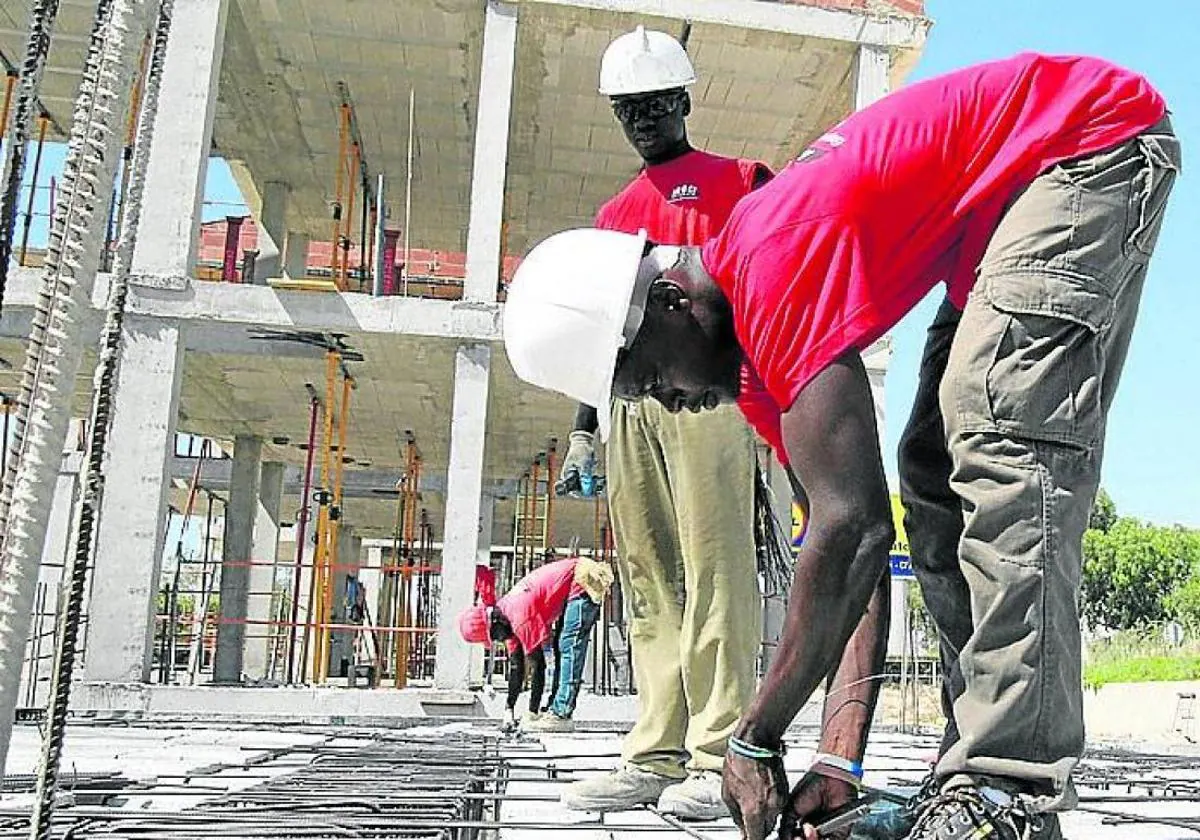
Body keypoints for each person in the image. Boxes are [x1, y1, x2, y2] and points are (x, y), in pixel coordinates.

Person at [502, 52, 1179, 840]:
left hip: (1085, 143)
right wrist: (836, 761)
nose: (672, 405)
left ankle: (1005, 786)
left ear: (669, 302)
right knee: (930, 471)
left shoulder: (770, 262)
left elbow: (852, 529)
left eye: (651, 378)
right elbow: (845, 545)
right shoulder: (754, 373)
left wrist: (754, 736)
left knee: (995, 431)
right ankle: (976, 769)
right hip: (1005, 206)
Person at [548, 26, 774, 821]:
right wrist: (585, 427)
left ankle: (718, 754)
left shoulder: (738, 180)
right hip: (631, 403)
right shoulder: (615, 212)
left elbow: (762, 288)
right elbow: (597, 331)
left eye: (654, 103)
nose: (642, 119)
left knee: (717, 571)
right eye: (628, 109)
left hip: (707, 395)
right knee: (648, 573)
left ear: (683, 100)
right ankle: (654, 750)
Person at [459, 556, 613, 733]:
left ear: (494, 624)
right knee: (561, 646)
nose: (498, 641)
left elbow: (538, 666)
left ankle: (561, 714)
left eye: (494, 637)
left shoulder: (519, 617)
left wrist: (532, 713)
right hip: (571, 585)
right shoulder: (506, 618)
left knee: (568, 645)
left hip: (583, 579)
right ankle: (555, 708)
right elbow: (517, 668)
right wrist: (509, 709)